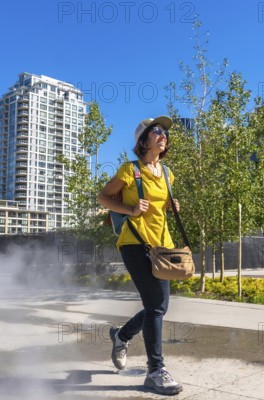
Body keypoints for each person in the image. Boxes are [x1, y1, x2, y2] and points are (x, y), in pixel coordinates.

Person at [97, 115, 183, 396]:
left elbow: (160, 207)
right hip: (134, 243)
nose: (163, 135)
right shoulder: (129, 170)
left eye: (164, 132)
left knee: (158, 306)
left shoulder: (167, 172)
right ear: (142, 140)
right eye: (156, 131)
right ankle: (155, 371)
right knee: (156, 305)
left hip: (163, 245)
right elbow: (104, 198)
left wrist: (171, 206)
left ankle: (121, 335)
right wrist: (130, 210)